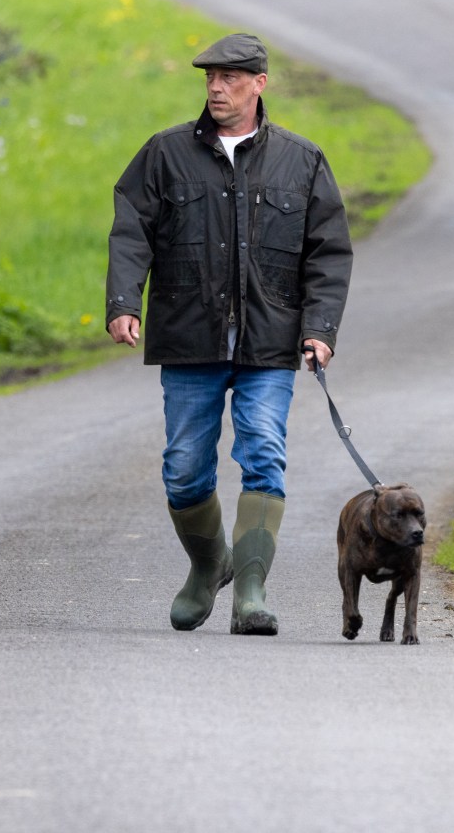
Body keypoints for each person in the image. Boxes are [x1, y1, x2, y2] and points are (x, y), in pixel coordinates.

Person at [106, 32, 353, 636]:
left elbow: (328, 252)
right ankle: (208, 564)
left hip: (270, 341)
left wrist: (320, 329)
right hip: (189, 336)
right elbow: (130, 228)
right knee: (185, 468)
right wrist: (122, 301)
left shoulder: (303, 160)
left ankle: (251, 590)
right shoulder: (164, 155)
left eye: (231, 77)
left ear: (259, 84)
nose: (217, 87)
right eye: (210, 77)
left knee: (264, 454)